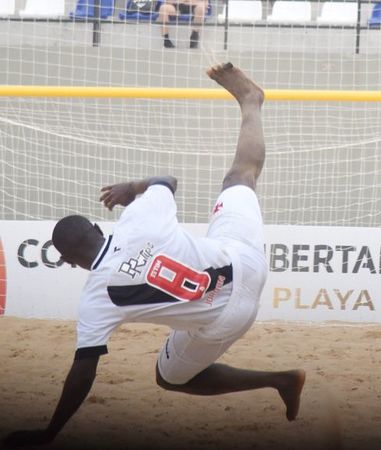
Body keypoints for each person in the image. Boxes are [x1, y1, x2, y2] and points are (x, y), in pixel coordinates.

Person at [2, 63, 305, 448]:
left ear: (69, 262)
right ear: (98, 229)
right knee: (239, 178)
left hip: (230, 313)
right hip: (244, 257)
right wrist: (133, 187)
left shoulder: (97, 299)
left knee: (169, 378)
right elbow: (168, 181)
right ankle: (250, 101)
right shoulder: (136, 216)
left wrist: (50, 432)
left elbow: (82, 373)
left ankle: (280, 379)